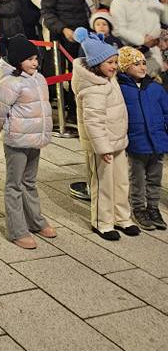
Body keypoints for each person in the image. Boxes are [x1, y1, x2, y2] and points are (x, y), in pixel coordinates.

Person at [0, 34, 56, 249]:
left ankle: (35, 220)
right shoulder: (10, 83)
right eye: (29, 59)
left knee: (30, 181)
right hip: (17, 140)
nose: (34, 63)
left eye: (35, 58)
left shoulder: (39, 79)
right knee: (14, 184)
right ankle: (17, 229)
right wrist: (4, 129)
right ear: (18, 61)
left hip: (34, 139)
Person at [71, 28, 138, 241]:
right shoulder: (93, 88)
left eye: (115, 62)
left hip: (117, 140)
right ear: (96, 64)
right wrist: (103, 148)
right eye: (109, 63)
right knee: (103, 184)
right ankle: (102, 221)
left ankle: (122, 216)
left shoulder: (110, 79)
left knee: (121, 181)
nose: (114, 67)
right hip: (103, 146)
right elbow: (93, 121)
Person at [116, 45, 168, 232]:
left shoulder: (156, 88)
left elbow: (166, 112)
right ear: (124, 67)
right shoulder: (121, 89)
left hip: (158, 143)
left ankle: (153, 208)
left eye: (143, 63)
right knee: (137, 179)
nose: (142, 67)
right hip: (137, 143)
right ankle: (139, 209)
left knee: (155, 178)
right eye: (136, 64)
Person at [110, 0, 168, 76]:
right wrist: (142, 40)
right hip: (132, 56)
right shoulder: (119, 3)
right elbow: (118, 30)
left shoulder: (152, 0)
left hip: (155, 55)